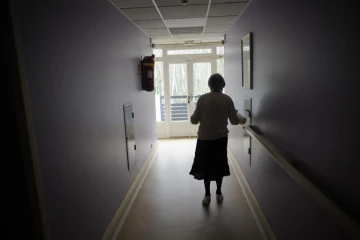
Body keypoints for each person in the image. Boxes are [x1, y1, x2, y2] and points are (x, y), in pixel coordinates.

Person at [189, 73, 246, 205]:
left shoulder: (202, 99)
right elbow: (233, 121)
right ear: (222, 85)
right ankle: (219, 193)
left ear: (209, 85)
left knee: (206, 166)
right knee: (219, 165)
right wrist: (240, 120)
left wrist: (194, 114)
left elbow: (194, 120)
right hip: (220, 139)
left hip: (204, 138)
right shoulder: (227, 99)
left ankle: (207, 195)